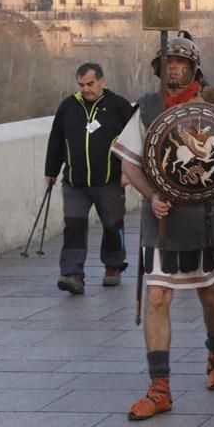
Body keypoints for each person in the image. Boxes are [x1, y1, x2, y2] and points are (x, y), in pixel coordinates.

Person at [113, 35, 214, 420]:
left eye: (179, 61)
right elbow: (129, 164)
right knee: (157, 299)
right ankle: (160, 387)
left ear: (193, 68)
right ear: (159, 67)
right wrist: (151, 194)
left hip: (204, 215)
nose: (172, 66)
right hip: (163, 219)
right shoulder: (148, 107)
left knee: (210, 297)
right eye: (167, 61)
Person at [45, 63, 134, 295]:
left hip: (109, 181)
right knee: (74, 227)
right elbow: (56, 139)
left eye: (90, 84)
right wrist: (51, 171)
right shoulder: (68, 106)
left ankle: (113, 266)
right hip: (75, 182)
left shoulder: (118, 106)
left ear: (102, 81)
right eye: (81, 85)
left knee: (113, 225)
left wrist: (128, 170)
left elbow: (134, 140)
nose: (85, 89)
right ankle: (72, 274)